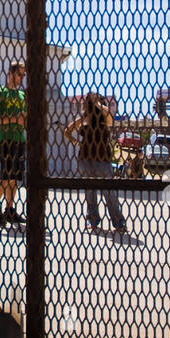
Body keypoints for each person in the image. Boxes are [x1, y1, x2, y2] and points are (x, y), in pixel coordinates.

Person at [65, 92, 126, 233]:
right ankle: (92, 220)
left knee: (109, 193)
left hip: (103, 159)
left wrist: (98, 103)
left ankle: (119, 222)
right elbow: (67, 131)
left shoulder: (104, 119)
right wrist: (76, 142)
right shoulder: (84, 119)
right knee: (90, 192)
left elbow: (110, 115)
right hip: (85, 159)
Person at [0, 61, 27, 227]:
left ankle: (9, 209)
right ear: (10, 73)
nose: (21, 78)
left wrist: (24, 120)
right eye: (19, 74)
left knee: (15, 178)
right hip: (6, 139)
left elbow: (24, 119)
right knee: (7, 175)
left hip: (20, 139)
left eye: (23, 75)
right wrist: (14, 119)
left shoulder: (21, 96)